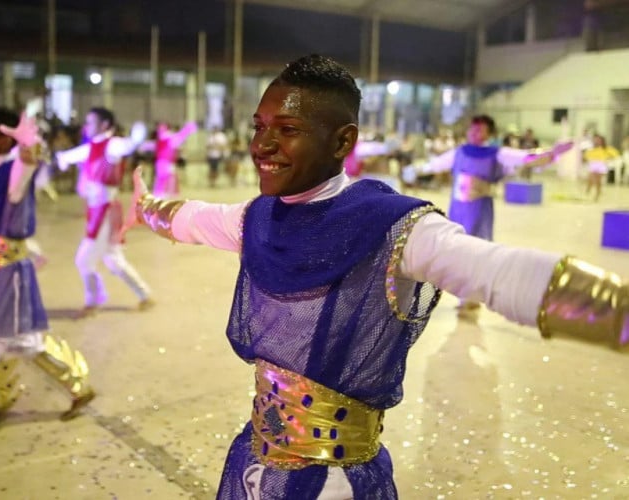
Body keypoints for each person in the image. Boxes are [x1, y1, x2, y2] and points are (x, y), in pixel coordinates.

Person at [123, 54, 628, 500]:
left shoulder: (395, 228)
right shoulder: (260, 218)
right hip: (255, 464)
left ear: (343, 140)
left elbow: (500, 273)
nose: (263, 145)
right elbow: (192, 217)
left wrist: (617, 311)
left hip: (335, 483)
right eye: (259, 127)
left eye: (288, 129)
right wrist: (145, 208)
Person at [0, 107, 95, 431]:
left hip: (10, 273)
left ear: (4, 137)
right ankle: (5, 398)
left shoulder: (12, 171)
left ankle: (71, 386)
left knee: (14, 341)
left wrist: (29, 144)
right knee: (12, 341)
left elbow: (28, 163)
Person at [424, 114, 571, 314]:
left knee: (476, 250)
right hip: (458, 208)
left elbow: (525, 158)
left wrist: (553, 153)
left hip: (479, 209)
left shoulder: (497, 153)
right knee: (457, 249)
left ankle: (470, 295)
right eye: (472, 129)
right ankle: (464, 294)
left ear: (489, 134)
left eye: (480, 129)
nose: (475, 133)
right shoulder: (459, 152)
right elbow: (434, 165)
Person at [55, 107, 154, 316]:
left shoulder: (112, 145)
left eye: (91, 122)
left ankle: (93, 300)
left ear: (105, 125)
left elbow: (128, 146)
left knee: (84, 259)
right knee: (113, 259)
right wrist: (59, 158)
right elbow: (68, 157)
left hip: (104, 211)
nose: (86, 126)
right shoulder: (92, 146)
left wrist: (137, 138)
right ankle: (145, 294)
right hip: (98, 209)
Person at [152, 121, 197, 197]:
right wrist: (187, 130)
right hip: (162, 161)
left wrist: (186, 131)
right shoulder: (163, 138)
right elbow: (178, 138)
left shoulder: (166, 137)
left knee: (166, 177)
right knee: (162, 178)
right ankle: (160, 193)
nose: (161, 129)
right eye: (160, 128)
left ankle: (163, 193)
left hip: (166, 161)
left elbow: (178, 139)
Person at [583, 134, 620, 200]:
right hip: (593, 164)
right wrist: (585, 159)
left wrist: (608, 158)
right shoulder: (591, 149)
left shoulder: (606, 148)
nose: (597, 141)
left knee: (597, 179)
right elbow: (586, 157)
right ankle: (590, 190)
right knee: (590, 179)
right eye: (596, 140)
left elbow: (615, 154)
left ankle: (597, 193)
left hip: (601, 164)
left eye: (599, 140)